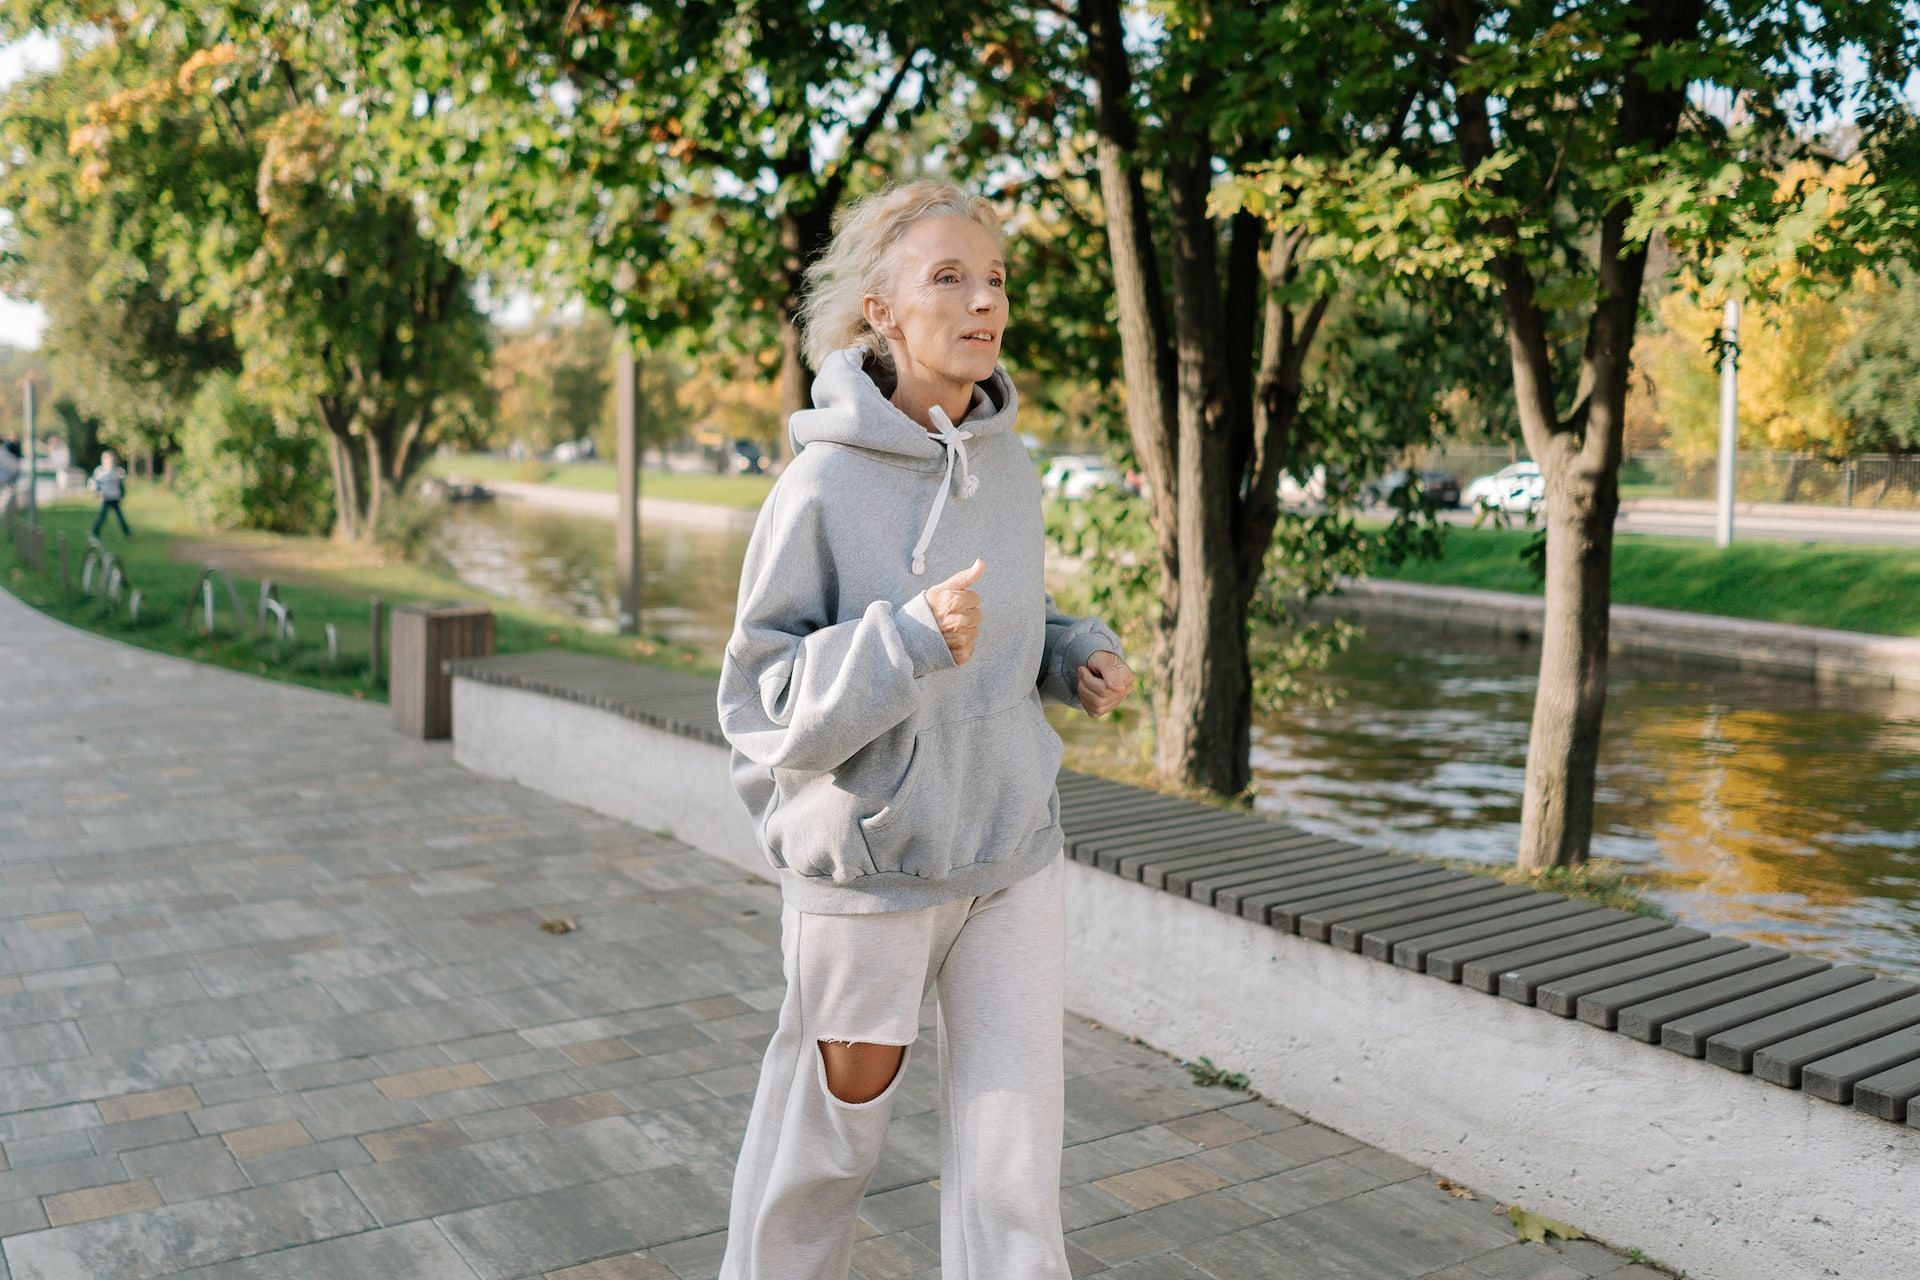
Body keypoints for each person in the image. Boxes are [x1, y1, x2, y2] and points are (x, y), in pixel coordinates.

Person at [713, 179, 1135, 1279]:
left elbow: (1013, 614)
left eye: (994, 279)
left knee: (1014, 1164)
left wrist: (1068, 649)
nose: (982, 301)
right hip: (872, 875)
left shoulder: (1012, 465)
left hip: (1010, 854)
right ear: (880, 311)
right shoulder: (820, 484)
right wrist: (900, 642)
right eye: (947, 277)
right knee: (829, 1145)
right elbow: (757, 700)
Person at [88, 448, 130, 539]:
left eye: (113, 460)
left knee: (120, 516)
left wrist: (121, 495)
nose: (111, 462)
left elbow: (121, 485)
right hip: (106, 498)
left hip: (114, 498)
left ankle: (127, 532)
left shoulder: (118, 471)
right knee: (102, 517)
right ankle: (94, 532)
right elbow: (96, 484)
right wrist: (98, 494)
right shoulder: (100, 471)